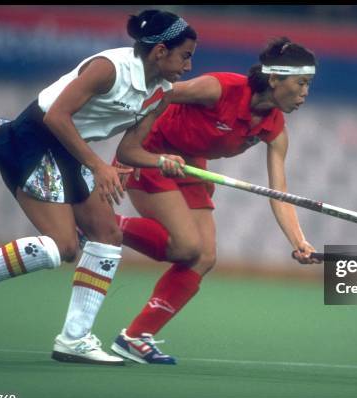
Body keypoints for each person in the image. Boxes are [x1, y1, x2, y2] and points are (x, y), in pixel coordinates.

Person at [0, 9, 196, 366]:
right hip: (37, 139)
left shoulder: (162, 92)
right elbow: (56, 115)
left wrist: (161, 159)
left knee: (107, 236)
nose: (189, 65)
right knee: (62, 247)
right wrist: (97, 166)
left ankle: (74, 340)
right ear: (160, 51)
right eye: (186, 55)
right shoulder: (110, 67)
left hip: (71, 152)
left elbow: (129, 150)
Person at [104, 37, 321, 364]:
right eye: (301, 83)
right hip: (152, 151)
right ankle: (101, 224)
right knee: (186, 247)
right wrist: (126, 155)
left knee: (203, 257)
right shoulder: (218, 88)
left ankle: (135, 337)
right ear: (275, 79)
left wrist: (299, 240)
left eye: (309, 84)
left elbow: (280, 193)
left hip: (191, 166)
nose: (305, 92)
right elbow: (156, 94)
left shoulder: (275, 129)